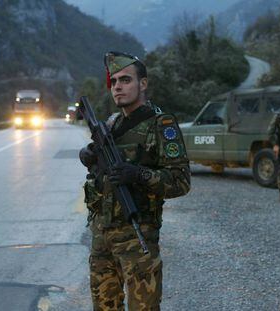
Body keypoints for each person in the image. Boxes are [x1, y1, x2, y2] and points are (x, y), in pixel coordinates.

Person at [79, 51, 191, 310]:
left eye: (126, 80)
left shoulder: (161, 124)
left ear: (143, 84)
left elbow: (181, 181)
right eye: (114, 82)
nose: (118, 87)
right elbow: (102, 170)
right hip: (102, 234)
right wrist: (89, 156)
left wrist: (138, 174)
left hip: (137, 237)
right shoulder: (110, 123)